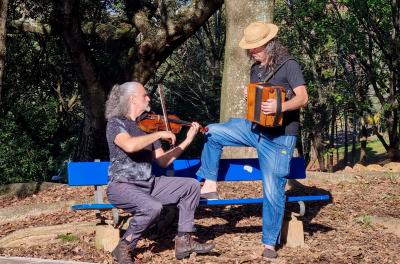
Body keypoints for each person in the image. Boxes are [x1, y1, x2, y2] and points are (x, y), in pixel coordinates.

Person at [197, 21, 308, 259]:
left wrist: (280, 106)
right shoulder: (255, 69)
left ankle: (269, 243)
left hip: (279, 139)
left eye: (256, 48)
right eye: (250, 49)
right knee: (212, 131)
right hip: (254, 129)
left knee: (272, 190)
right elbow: (255, 104)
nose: (252, 52)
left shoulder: (289, 65)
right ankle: (209, 185)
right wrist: (250, 94)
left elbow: (302, 98)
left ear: (270, 45)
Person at [105, 81, 215, 263]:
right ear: (132, 99)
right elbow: (129, 145)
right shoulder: (116, 123)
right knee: (153, 207)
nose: (148, 98)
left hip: (149, 184)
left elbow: (163, 161)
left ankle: (184, 241)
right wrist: (159, 135)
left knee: (191, 186)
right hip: (122, 185)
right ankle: (124, 246)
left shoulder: (146, 127)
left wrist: (186, 141)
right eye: (145, 95)